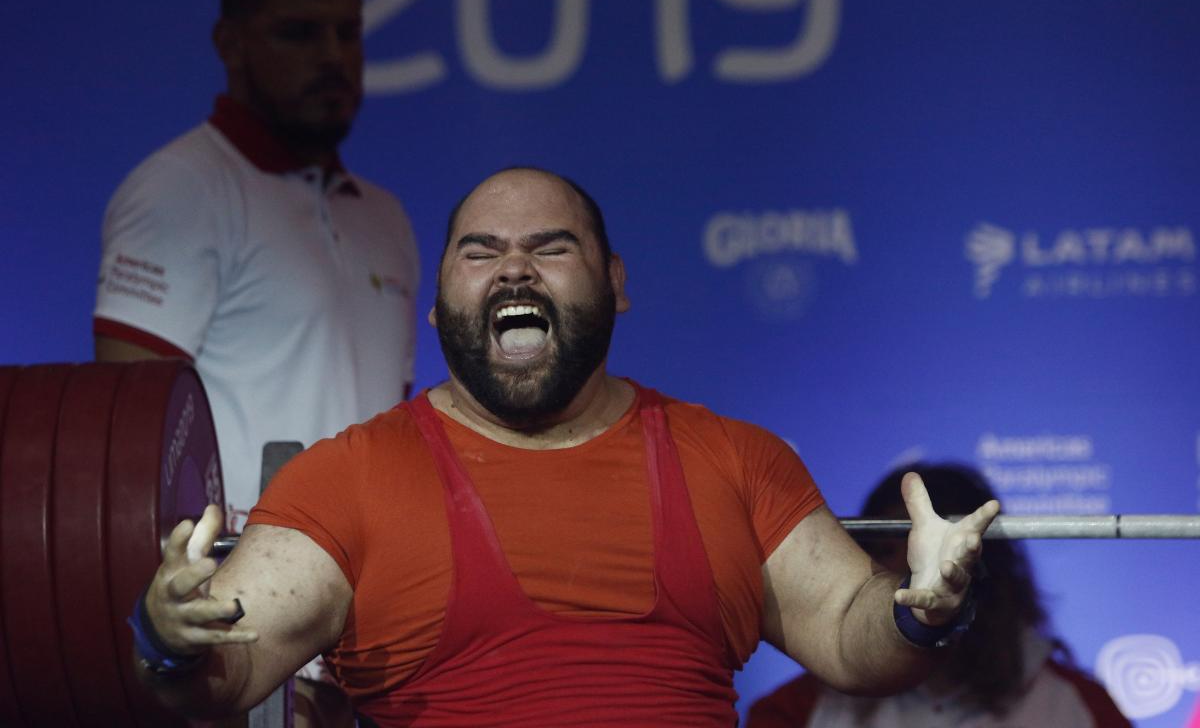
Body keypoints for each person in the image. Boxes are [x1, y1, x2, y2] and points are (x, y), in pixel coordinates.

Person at [131, 167, 999, 726]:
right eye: (481, 253)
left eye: (551, 247)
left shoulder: (735, 459)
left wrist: (923, 611)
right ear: (437, 304)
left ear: (615, 285)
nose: (515, 271)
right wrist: (169, 638)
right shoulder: (346, 479)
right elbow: (223, 675)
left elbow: (853, 641)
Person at [94, 0, 418, 723]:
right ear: (229, 42)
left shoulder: (387, 219)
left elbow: (395, 448)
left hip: (367, 644)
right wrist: (214, 632)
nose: (333, 57)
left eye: (348, 32)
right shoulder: (178, 191)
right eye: (299, 33)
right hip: (233, 646)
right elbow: (126, 464)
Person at [747, 462, 1131, 728]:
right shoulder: (795, 711)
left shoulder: (1078, 705)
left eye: (939, 555)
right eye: (880, 550)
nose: (919, 581)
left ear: (984, 565)